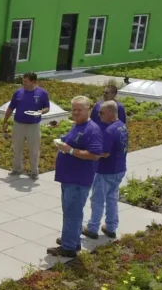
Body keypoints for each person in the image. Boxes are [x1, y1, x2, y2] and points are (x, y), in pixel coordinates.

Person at [49, 96, 104, 259]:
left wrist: (70, 150)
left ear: (88, 109)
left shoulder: (92, 129)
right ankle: (71, 239)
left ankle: (69, 247)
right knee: (71, 212)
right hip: (69, 177)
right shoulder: (78, 125)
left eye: (80, 109)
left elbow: (95, 155)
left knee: (72, 213)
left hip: (78, 180)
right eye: (74, 109)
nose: (76, 112)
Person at [85, 100, 129, 240]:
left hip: (106, 170)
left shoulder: (109, 131)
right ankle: (111, 227)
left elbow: (104, 153)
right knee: (112, 198)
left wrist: (88, 152)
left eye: (102, 113)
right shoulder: (121, 126)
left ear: (111, 112)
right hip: (119, 168)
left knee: (98, 199)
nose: (99, 116)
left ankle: (93, 228)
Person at [2, 72, 50, 180]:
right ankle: (16, 169)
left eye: (26, 81)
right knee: (16, 148)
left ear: (34, 82)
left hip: (33, 125)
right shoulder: (18, 93)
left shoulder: (42, 93)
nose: (23, 83)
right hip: (18, 124)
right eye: (23, 81)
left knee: (34, 149)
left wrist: (40, 112)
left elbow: (47, 107)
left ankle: (34, 171)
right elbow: (10, 108)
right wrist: (5, 121)